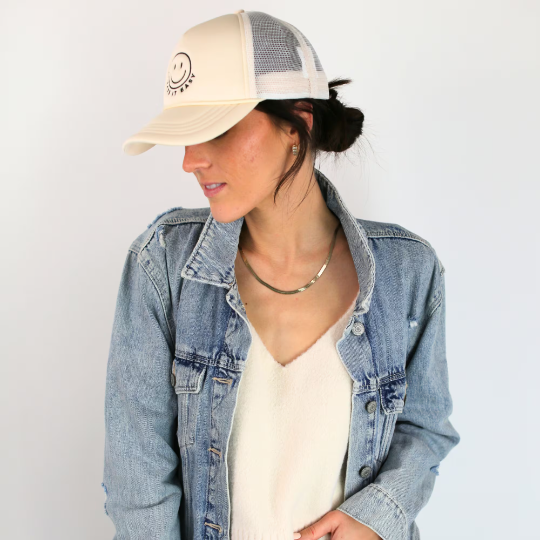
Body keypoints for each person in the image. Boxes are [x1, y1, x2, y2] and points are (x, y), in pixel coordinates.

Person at [102, 10, 460, 540]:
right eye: (184, 136)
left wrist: (377, 514)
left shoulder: (407, 271)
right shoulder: (163, 266)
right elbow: (138, 484)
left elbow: (425, 428)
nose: (190, 160)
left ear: (298, 123)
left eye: (215, 129)